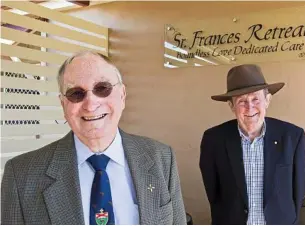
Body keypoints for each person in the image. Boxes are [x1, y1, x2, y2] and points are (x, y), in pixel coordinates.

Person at [1, 51, 186, 225]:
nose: (90, 104)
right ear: (63, 104)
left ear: (122, 95)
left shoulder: (161, 157)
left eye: (102, 88)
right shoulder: (21, 175)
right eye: (76, 94)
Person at [199, 64, 305, 225]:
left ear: (267, 100)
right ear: (231, 106)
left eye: (255, 99)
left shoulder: (293, 137)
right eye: (241, 101)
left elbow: (299, 188)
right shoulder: (213, 139)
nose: (249, 107)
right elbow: (213, 192)